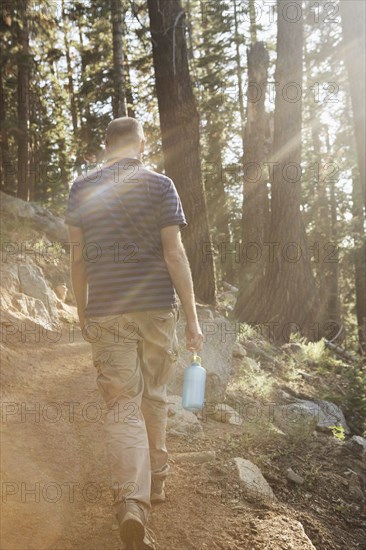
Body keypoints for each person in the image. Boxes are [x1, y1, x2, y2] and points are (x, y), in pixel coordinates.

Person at [64, 117, 203, 549]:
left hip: (106, 309)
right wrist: (194, 319)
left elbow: (78, 259)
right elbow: (174, 253)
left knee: (122, 407)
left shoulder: (81, 189)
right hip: (157, 308)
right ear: (142, 143)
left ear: (106, 147)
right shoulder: (161, 185)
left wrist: (83, 310)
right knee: (155, 393)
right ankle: (157, 480)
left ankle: (131, 504)